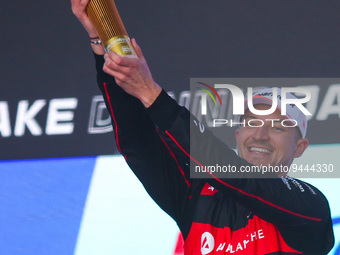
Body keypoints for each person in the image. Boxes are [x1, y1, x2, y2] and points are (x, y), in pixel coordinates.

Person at [71, 0, 334, 254]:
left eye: (278, 127)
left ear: (299, 147)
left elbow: (242, 180)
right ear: (238, 135)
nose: (260, 135)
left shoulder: (310, 207)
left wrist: (150, 92)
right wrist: (104, 43)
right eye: (252, 123)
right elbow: (139, 146)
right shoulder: (198, 198)